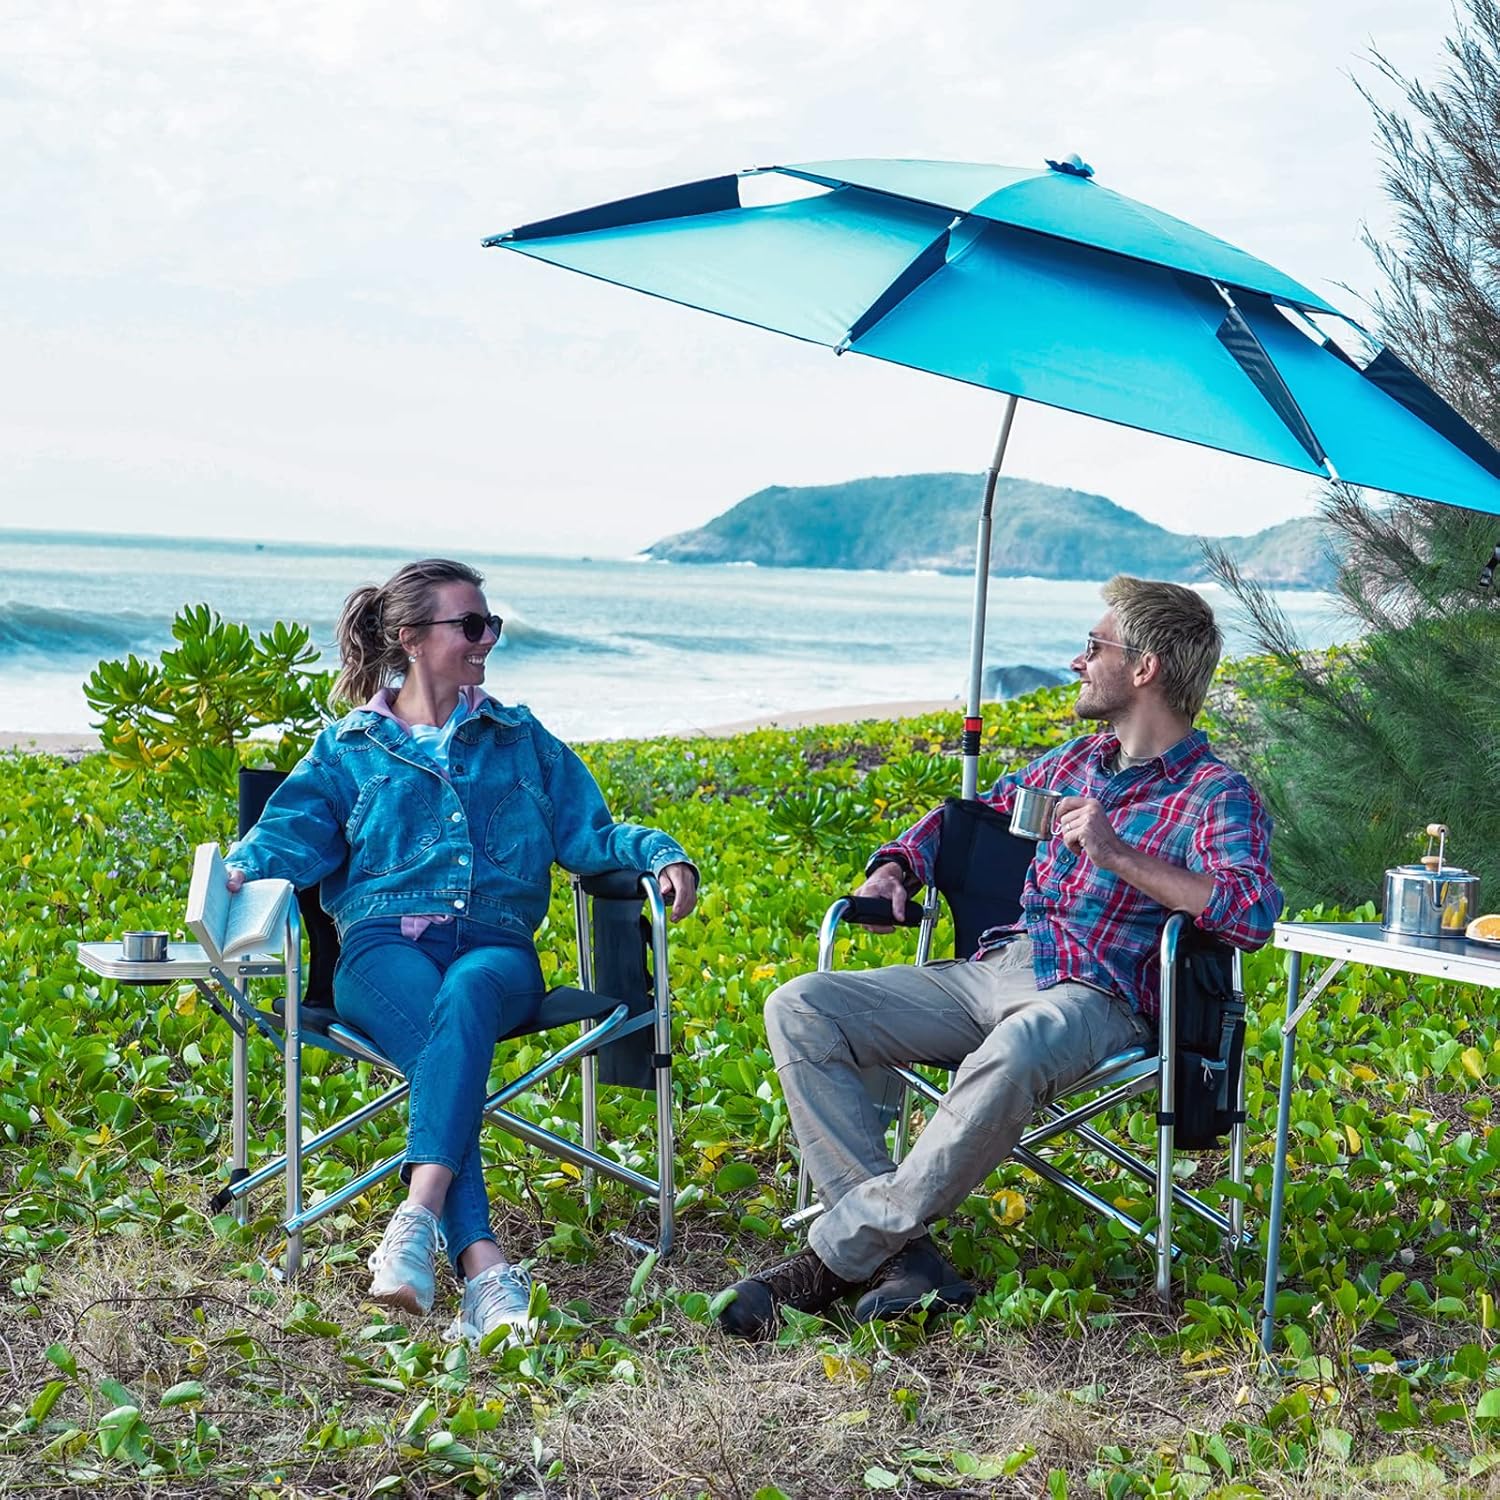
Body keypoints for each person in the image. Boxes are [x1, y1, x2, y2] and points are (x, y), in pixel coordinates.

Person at [717, 576, 1280, 1340]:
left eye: (1094, 646)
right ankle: (903, 1259)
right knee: (802, 1006)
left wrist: (1118, 853)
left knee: (1018, 1046)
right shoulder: (1076, 762)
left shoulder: (1216, 794)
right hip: (1000, 966)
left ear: (1145, 667)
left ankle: (829, 1262)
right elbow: (971, 817)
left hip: (1100, 995)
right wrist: (896, 867)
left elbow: (1249, 912)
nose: (1078, 661)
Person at [225, 558, 698, 1344]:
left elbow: (592, 834)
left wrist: (660, 853)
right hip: (380, 951)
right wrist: (239, 870)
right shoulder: (346, 749)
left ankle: (418, 1221)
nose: (488, 639)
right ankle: (484, 1271)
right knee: (445, 1033)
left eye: (492, 624)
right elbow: (286, 839)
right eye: (471, 625)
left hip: (496, 948)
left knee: (469, 995)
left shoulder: (521, 740)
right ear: (412, 638)